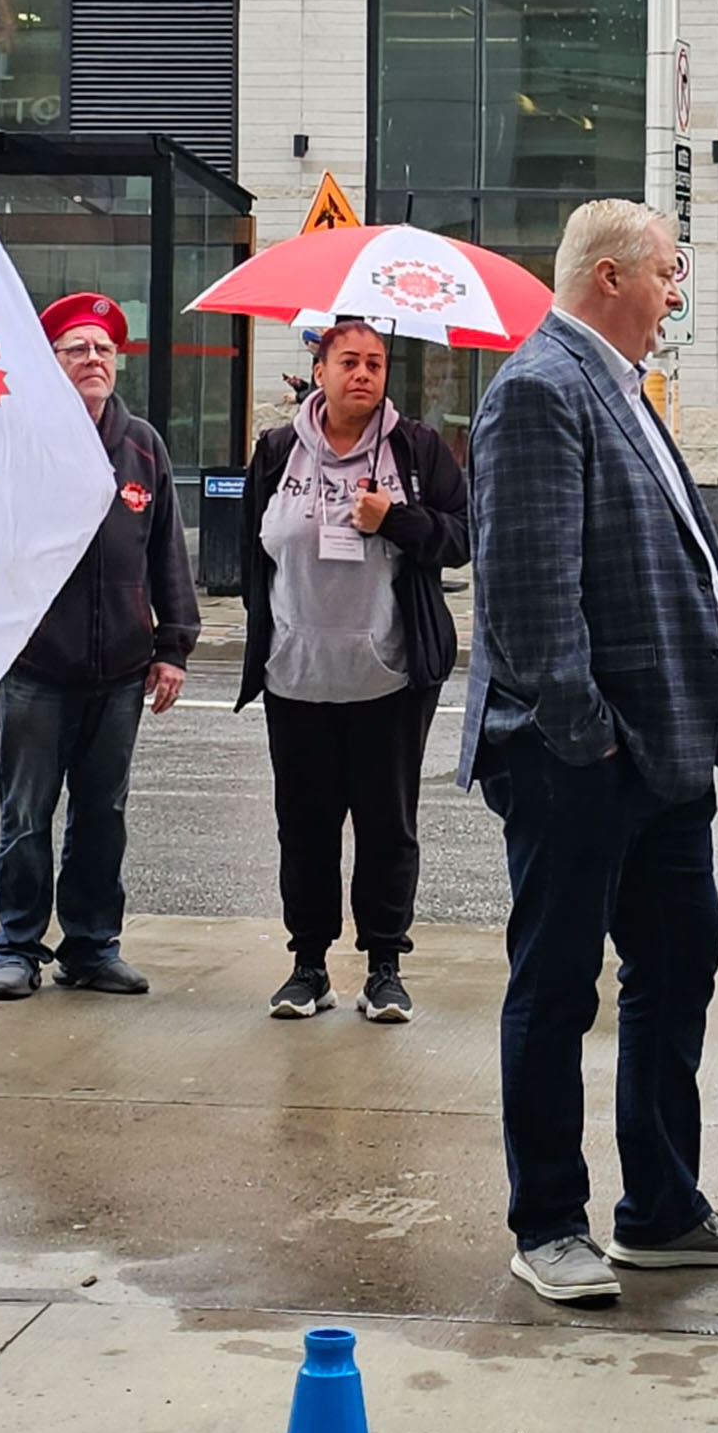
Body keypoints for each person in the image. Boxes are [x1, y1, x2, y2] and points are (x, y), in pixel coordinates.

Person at [459, 198, 718, 1307]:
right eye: (664, 273)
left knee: (677, 954)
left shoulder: (619, 386)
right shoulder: (542, 388)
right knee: (555, 985)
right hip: (580, 757)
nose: (674, 293)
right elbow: (528, 589)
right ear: (606, 277)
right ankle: (547, 1221)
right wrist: (583, 731)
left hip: (660, 758)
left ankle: (661, 1208)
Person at [237, 320, 470, 1024]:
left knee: (386, 824)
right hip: (297, 673)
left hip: (388, 678)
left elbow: (463, 537)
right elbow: (255, 551)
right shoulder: (278, 450)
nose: (363, 374)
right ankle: (308, 965)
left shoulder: (417, 449)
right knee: (303, 824)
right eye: (348, 361)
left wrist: (396, 518)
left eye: (375, 361)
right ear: (321, 367)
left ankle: (384, 968)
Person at [0, 292, 197, 1002]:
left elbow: (166, 552)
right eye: (77, 349)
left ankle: (92, 944)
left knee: (102, 816)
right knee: (26, 816)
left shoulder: (143, 447)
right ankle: (16, 946)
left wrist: (173, 646)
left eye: (103, 349)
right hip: (37, 669)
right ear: (52, 363)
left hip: (121, 674)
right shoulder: (19, 443)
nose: (92, 360)